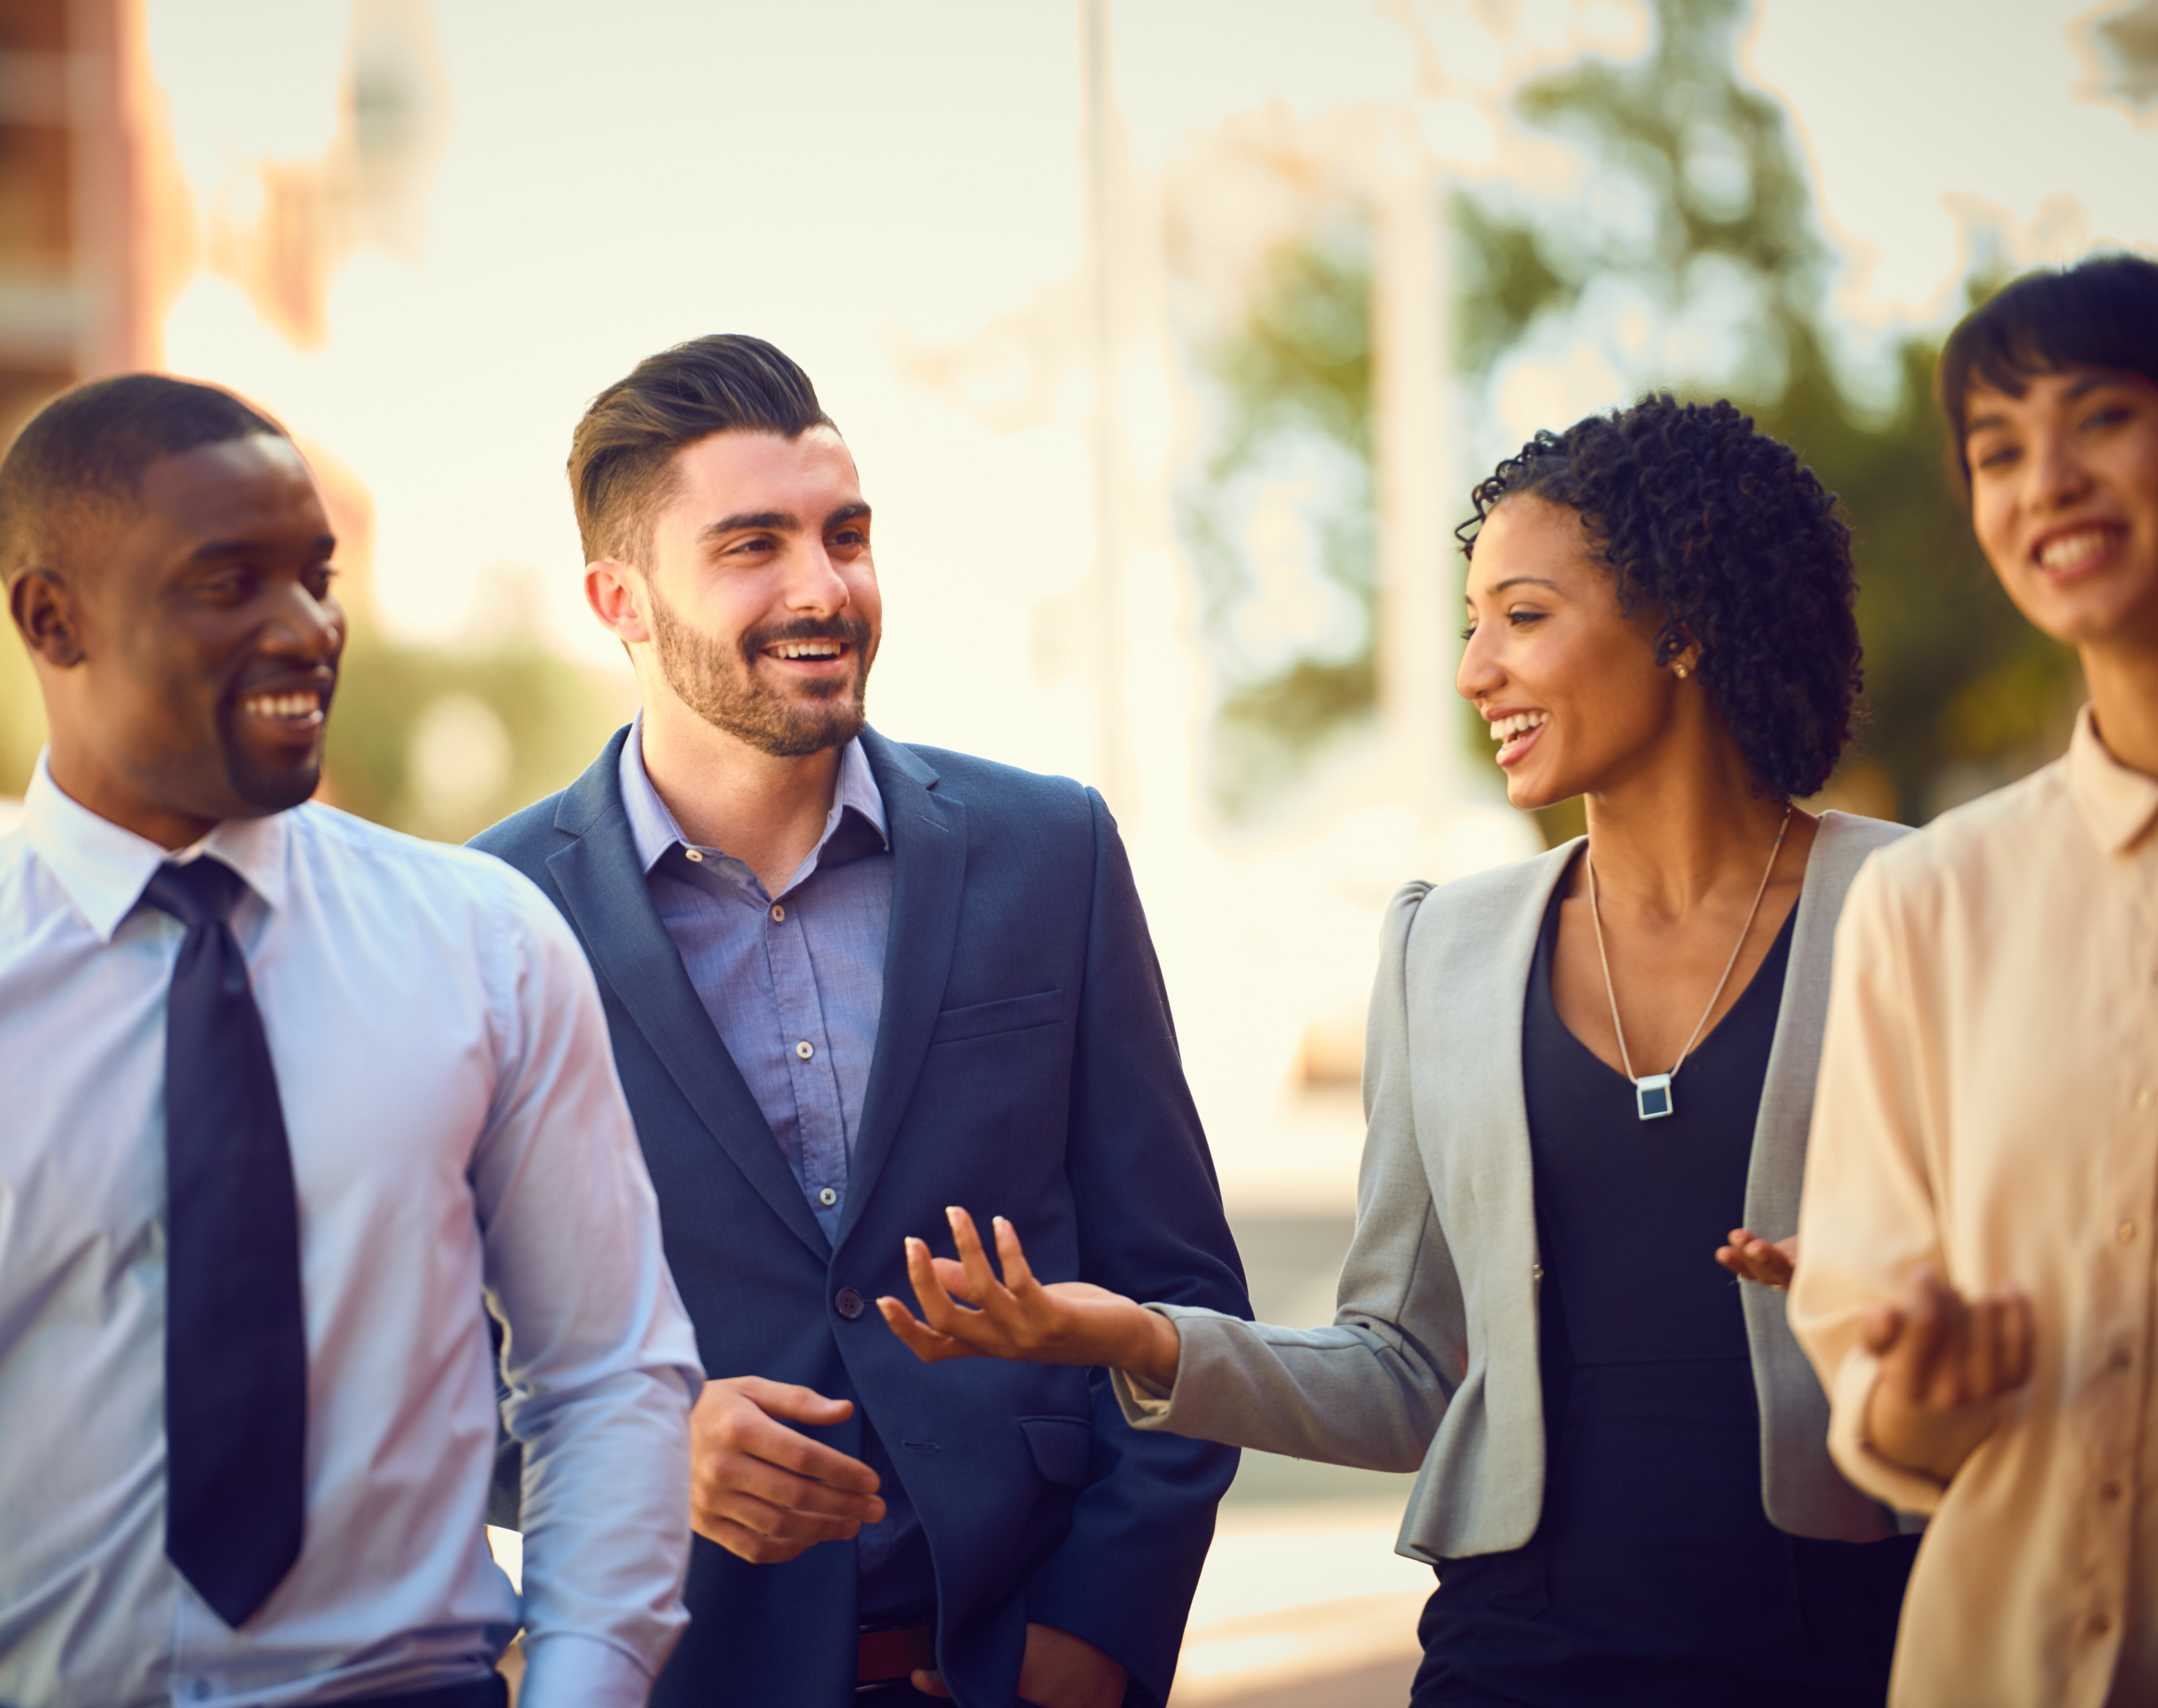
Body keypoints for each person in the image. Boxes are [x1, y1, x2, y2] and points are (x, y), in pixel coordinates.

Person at [0, 374, 703, 1708]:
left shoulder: (488, 946)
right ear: (53, 617)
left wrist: (580, 1689)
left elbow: (607, 1373)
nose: (305, 630)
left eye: (315, 578)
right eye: (229, 584)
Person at [881, 395, 1927, 1704]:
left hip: (1855, 1639)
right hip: (1522, 1651)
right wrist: (1136, 1339)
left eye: (1523, 616)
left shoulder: (1923, 909)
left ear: (1681, 623)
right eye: (1471, 623)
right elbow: (1408, 1370)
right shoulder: (1447, 948)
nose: (1472, 670)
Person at [471, 334, 1248, 1708]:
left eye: (845, 534)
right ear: (621, 601)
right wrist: (639, 1450)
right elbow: (403, 1362)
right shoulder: (487, 915)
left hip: (1017, 1664)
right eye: (752, 546)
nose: (823, 588)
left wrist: (1096, 1644)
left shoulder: (1047, 850)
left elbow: (1179, 1291)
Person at [1788, 252, 2158, 1706]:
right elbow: (1866, 1375)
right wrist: (1925, 1389)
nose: (2045, 479)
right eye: (1997, 449)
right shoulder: (1928, 899)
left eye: (2103, 416)